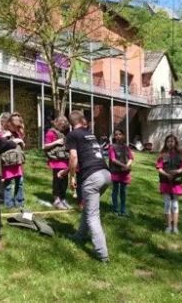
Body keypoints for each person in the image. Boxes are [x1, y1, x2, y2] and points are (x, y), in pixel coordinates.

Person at [65, 110, 111, 262]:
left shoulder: (72, 135)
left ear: (70, 122)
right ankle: (80, 235)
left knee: (93, 216)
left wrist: (72, 177)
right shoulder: (90, 134)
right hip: (105, 174)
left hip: (91, 178)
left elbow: (73, 157)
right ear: (82, 120)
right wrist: (67, 172)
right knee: (89, 208)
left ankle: (102, 254)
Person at [156, 134, 182, 234]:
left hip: (176, 183)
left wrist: (177, 171)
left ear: (175, 143)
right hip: (165, 182)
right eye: (168, 141)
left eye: (172, 141)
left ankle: (175, 227)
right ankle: (168, 226)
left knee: (175, 205)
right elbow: (159, 168)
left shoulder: (180, 155)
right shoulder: (163, 155)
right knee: (167, 204)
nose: (170, 143)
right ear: (166, 143)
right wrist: (166, 174)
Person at [43, 116, 71, 210]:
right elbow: (45, 146)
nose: (63, 126)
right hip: (56, 161)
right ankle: (56, 199)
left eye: (64, 125)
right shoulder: (50, 133)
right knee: (57, 181)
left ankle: (63, 199)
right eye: (61, 124)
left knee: (64, 182)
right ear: (57, 123)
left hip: (65, 161)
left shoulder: (64, 133)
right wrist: (56, 142)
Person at [1, 112, 26, 208]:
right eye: (14, 127)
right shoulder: (4, 134)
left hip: (18, 163)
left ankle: (19, 202)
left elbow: (20, 145)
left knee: (19, 183)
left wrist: (21, 142)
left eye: (17, 127)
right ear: (9, 124)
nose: (16, 129)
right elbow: (0, 144)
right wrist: (9, 139)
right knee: (8, 185)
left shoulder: (17, 134)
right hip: (8, 164)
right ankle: (8, 203)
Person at [109, 129, 133, 216]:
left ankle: (123, 210)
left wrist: (127, 165)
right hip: (116, 172)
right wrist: (123, 165)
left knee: (123, 192)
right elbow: (113, 159)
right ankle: (115, 209)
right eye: (116, 134)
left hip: (125, 173)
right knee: (115, 191)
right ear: (114, 136)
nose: (118, 136)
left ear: (123, 135)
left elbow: (131, 158)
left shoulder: (126, 147)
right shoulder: (112, 147)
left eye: (120, 134)